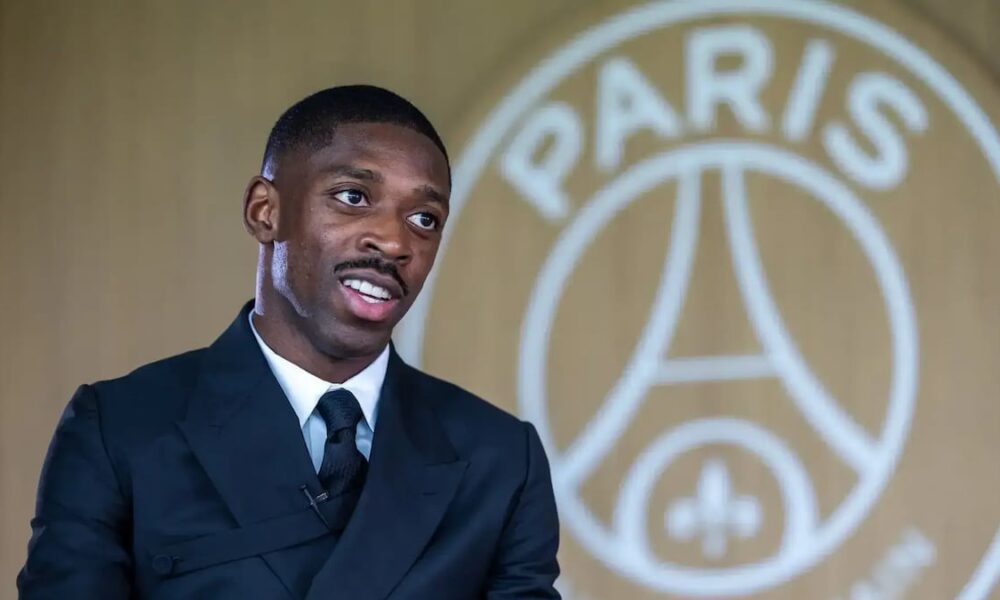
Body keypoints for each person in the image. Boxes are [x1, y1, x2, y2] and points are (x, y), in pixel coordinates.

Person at [17, 85, 560, 599]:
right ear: (265, 211)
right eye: (353, 197)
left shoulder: (501, 460)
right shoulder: (120, 430)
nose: (395, 241)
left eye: (424, 218)